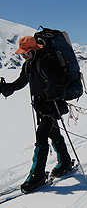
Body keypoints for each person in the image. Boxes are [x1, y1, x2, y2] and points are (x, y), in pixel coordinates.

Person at [0, 36, 72, 193]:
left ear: (33, 50)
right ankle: (65, 162)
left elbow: (62, 79)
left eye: (26, 54)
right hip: (41, 106)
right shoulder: (29, 64)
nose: (24, 57)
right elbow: (22, 81)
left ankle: (37, 175)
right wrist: (8, 88)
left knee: (41, 138)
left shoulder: (47, 60)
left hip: (52, 106)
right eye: (22, 55)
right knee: (53, 133)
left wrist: (54, 90)